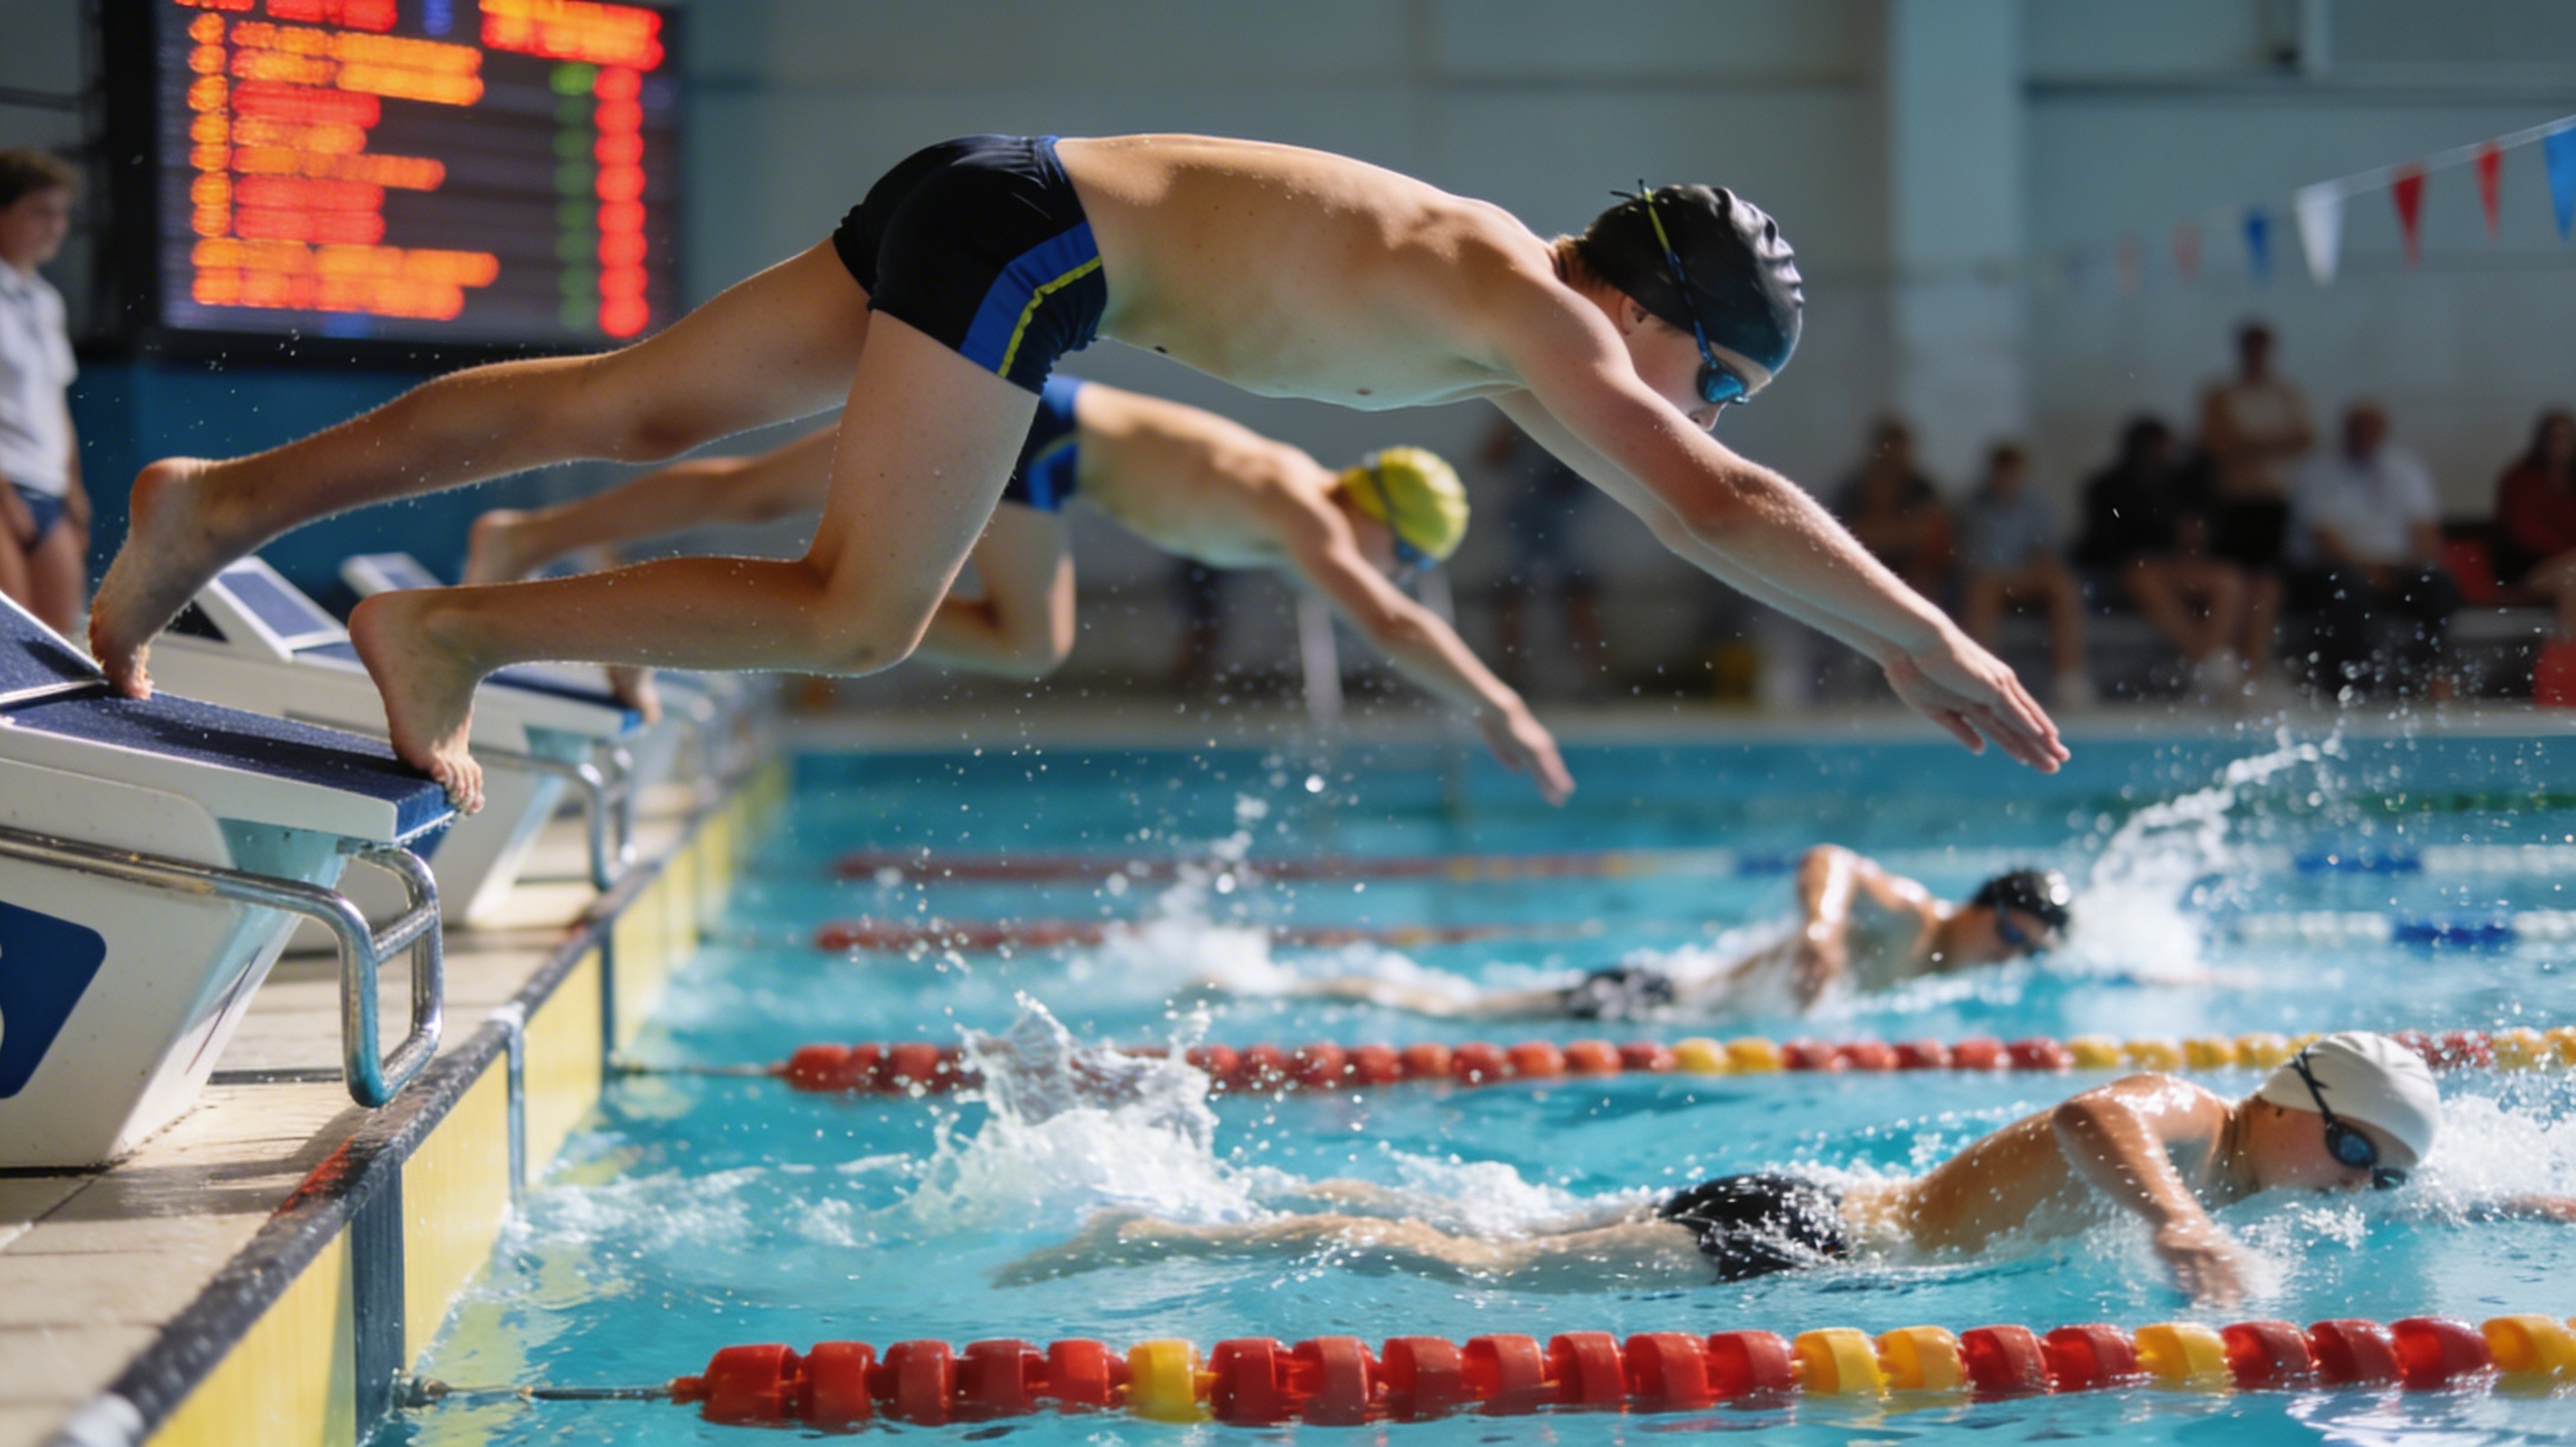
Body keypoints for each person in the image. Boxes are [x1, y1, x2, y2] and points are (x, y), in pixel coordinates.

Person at [92, 133, 2065, 811]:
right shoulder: (1532, 305)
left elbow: (1685, 504)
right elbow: (1717, 507)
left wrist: (1862, 630)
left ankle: (215, 502)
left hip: (998, 193)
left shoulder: (1513, 330)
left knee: (623, 408)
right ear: (1659, 311)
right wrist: (1925, 642)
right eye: (1709, 377)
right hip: (1035, 254)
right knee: (863, 614)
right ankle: (442, 627)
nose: (1699, 417)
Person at [463, 378, 1574, 800]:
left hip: (1029, 416)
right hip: (1032, 439)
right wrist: (1501, 702)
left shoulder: (1300, 500)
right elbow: (1380, 615)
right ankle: (669, 613)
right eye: (1402, 553)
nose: (1389, 572)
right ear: (1382, 519)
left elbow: (1379, 601)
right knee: (1012, 640)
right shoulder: (1310, 513)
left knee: (759, 491)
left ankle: (533, 533)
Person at [999, 1032, 2463, 1304]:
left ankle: (1213, 1198)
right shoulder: (2192, 1121)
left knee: (1480, 1224)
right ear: (2290, 1101)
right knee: (1475, 1270)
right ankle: (1153, 1231)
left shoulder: (2259, 1169)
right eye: (2349, 1148)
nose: (2351, 1183)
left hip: (1810, 1213)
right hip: (1803, 1242)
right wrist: (2172, 1229)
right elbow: (2094, 1118)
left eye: (2376, 1177)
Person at [1221, 848, 2071, 1018]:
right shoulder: (1916, 917)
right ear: (1977, 905)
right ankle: (1276, 983)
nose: (2011, 955)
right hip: (1662, 1001)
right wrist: (1818, 931)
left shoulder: (1948, 974)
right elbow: (1831, 859)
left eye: (2028, 949)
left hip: (1688, 1008)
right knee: (1459, 1012)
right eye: (2010, 933)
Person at [2074, 417, 2258, 697]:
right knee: (2143, 575)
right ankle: (2207, 663)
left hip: (2175, 565)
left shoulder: (2180, 483)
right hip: (2129, 570)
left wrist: (2191, 539)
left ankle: (2208, 664)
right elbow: (2106, 543)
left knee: (2228, 578)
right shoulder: (2106, 486)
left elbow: (2198, 527)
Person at [2287, 403, 2459, 698]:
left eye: (2371, 430)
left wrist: (2413, 564)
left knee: (2438, 585)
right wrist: (2367, 572)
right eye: (2358, 429)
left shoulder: (2406, 467)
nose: (2364, 437)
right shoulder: (2318, 469)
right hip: (2332, 569)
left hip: (2394, 569)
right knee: (2348, 587)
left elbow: (2424, 529)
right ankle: (2350, 683)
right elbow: (2324, 537)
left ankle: (2429, 674)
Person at [0, 148, 88, 637]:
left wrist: (73, 488)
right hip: (3, 487)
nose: (56, 226)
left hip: (47, 489)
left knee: (57, 648)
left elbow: (56, 404)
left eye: (61, 214)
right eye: (40, 212)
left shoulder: (46, 301)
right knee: (8, 649)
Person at [1479, 411, 1605, 695]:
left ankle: (1594, 674)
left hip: (1567, 520)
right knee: (1513, 594)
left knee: (1578, 595)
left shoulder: (1578, 415)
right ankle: (1509, 673)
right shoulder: (1517, 411)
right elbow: (1490, 457)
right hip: (1525, 519)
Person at [1956, 443, 2089, 706]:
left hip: (2027, 580)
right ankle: (1979, 678)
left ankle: (2068, 677)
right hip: (1991, 582)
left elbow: (2048, 552)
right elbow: (1972, 561)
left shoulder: (2037, 505)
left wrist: (2031, 572)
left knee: (2062, 586)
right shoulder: (1974, 507)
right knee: (1982, 589)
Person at [1833, 418, 1953, 601]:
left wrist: (1880, 532)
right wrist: (1901, 531)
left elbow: (1928, 532)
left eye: (1899, 448)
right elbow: (1842, 535)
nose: (1894, 455)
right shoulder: (1854, 487)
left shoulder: (1921, 487)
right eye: (1889, 448)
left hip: (1912, 566)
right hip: (1862, 565)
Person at [2495, 408, 2576, 639]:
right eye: (2553, 437)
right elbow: (2525, 536)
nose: (2559, 444)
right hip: (2531, 571)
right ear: (2540, 439)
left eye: (2566, 437)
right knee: (2573, 582)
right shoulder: (2518, 480)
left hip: (2569, 564)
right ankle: (2568, 661)